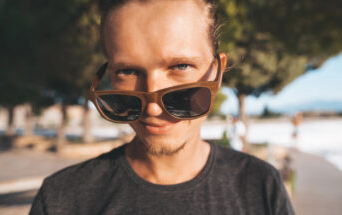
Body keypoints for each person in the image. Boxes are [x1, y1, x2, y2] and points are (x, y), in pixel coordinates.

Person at [30, 0, 295, 214]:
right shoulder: (61, 199)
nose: (153, 108)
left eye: (180, 66)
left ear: (218, 71)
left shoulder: (261, 186)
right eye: (128, 70)